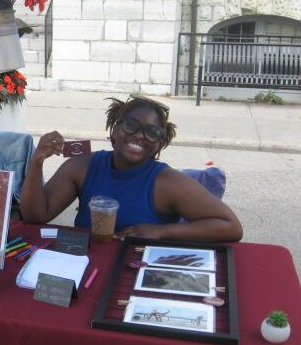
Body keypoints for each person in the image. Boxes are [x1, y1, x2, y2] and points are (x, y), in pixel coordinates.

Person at [20, 95, 243, 242]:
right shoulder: (82, 166)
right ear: (115, 129)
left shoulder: (168, 182)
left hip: (138, 271)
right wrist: (36, 162)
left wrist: (162, 232)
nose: (139, 135)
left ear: (159, 142)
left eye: (151, 132)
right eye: (131, 126)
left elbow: (231, 227)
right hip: (85, 265)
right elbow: (35, 216)